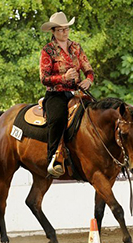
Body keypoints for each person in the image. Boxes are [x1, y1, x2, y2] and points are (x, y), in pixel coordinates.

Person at [40, 12, 94, 177]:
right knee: (57, 119)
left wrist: (89, 80)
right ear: (53, 32)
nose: (64, 33)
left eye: (66, 29)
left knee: (94, 113)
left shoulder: (76, 47)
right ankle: (53, 159)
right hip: (56, 94)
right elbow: (44, 78)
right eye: (60, 30)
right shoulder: (48, 50)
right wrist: (64, 77)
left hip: (77, 92)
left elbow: (88, 69)